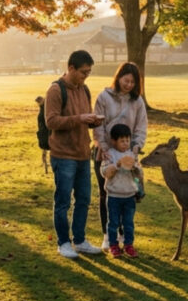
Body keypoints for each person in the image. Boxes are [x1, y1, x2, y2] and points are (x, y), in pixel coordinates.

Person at [46, 50, 104, 259]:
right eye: (83, 72)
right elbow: (51, 121)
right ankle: (63, 242)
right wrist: (79, 118)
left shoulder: (84, 89)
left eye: (88, 73)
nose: (85, 76)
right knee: (63, 201)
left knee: (84, 199)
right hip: (63, 155)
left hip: (82, 153)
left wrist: (93, 121)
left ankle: (79, 240)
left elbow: (82, 120)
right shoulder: (55, 90)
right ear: (71, 68)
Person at [92, 61, 148, 251]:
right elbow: (98, 125)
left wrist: (135, 148)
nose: (129, 85)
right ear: (119, 77)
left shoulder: (137, 101)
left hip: (129, 153)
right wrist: (105, 148)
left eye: (133, 82)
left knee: (128, 193)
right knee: (106, 193)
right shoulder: (104, 97)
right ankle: (108, 235)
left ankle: (124, 234)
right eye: (126, 80)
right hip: (105, 152)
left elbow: (141, 126)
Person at [99, 123, 143, 258]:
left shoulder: (132, 155)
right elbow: (104, 172)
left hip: (129, 195)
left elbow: (139, 174)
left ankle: (129, 245)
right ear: (114, 141)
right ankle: (113, 245)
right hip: (113, 196)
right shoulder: (109, 155)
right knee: (113, 222)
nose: (125, 144)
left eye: (127, 141)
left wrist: (136, 168)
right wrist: (117, 165)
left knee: (128, 223)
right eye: (122, 141)